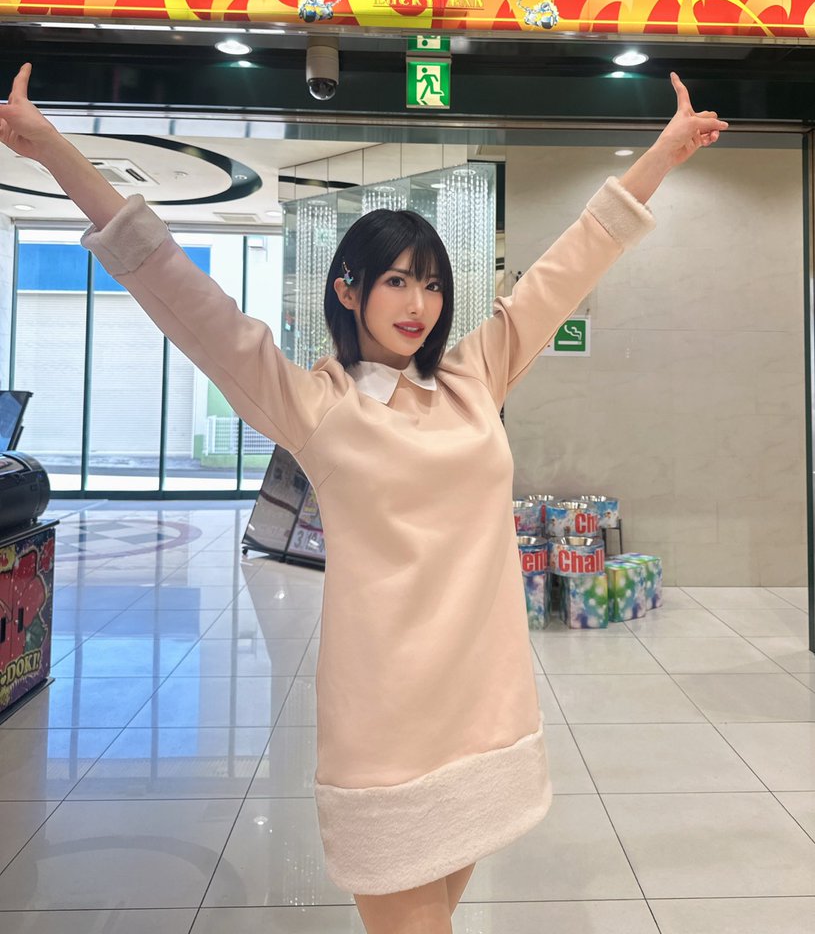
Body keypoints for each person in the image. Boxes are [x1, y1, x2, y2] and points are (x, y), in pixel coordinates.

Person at [0, 64, 726, 933]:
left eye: (432, 283)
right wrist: (53, 152)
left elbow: (573, 260)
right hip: (385, 718)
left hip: (483, 703)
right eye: (396, 281)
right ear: (348, 289)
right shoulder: (314, 404)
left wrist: (664, 153)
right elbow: (170, 281)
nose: (419, 303)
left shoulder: (473, 376)